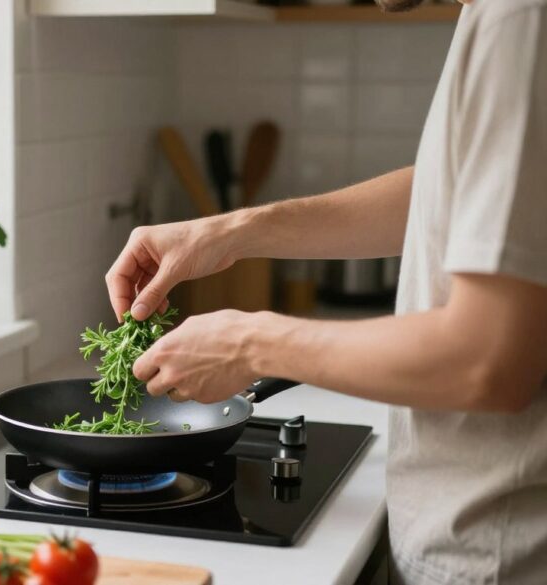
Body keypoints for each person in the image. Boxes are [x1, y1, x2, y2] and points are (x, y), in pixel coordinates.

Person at [105, 1, 547, 583]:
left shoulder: (522, 16)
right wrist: (229, 232)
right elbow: (453, 186)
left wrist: (250, 343)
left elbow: (488, 360)